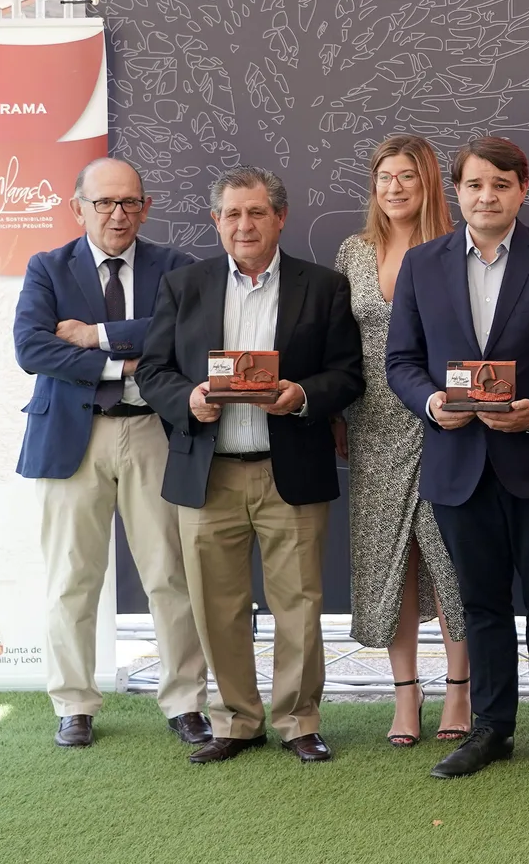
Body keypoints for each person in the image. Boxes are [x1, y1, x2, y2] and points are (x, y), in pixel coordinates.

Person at [386, 136, 529, 781]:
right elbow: (400, 362)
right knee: (479, 605)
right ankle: (492, 728)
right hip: (459, 463)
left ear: (521, 191)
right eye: (476, 185)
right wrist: (430, 405)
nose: (488, 196)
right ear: (457, 192)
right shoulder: (423, 265)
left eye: (501, 185)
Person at [137, 166, 364, 764]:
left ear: (279, 218)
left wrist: (302, 396)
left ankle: (298, 721)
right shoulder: (185, 286)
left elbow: (347, 374)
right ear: (216, 221)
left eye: (257, 213)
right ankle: (236, 720)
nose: (244, 224)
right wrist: (187, 400)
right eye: (232, 214)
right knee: (217, 607)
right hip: (207, 472)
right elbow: (154, 372)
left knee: (300, 604)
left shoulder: (324, 286)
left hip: (288, 469)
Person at [13, 158, 207, 749]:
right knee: (73, 576)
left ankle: (184, 702)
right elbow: (32, 348)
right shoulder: (46, 268)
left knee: (170, 574)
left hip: (153, 431)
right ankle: (74, 704)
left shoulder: (175, 266)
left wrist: (94, 335)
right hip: (72, 437)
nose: (117, 214)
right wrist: (122, 363)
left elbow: (184, 337)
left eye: (129, 203)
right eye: (104, 203)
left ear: (145, 208)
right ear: (78, 208)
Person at [334, 135, 472, 748]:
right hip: (373, 429)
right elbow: (340, 345)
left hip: (446, 422)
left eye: (407, 177)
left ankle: (462, 692)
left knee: (452, 563)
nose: (394, 187)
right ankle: (405, 695)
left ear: (430, 184)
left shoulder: (456, 248)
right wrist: (337, 416)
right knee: (394, 564)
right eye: (384, 176)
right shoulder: (354, 252)